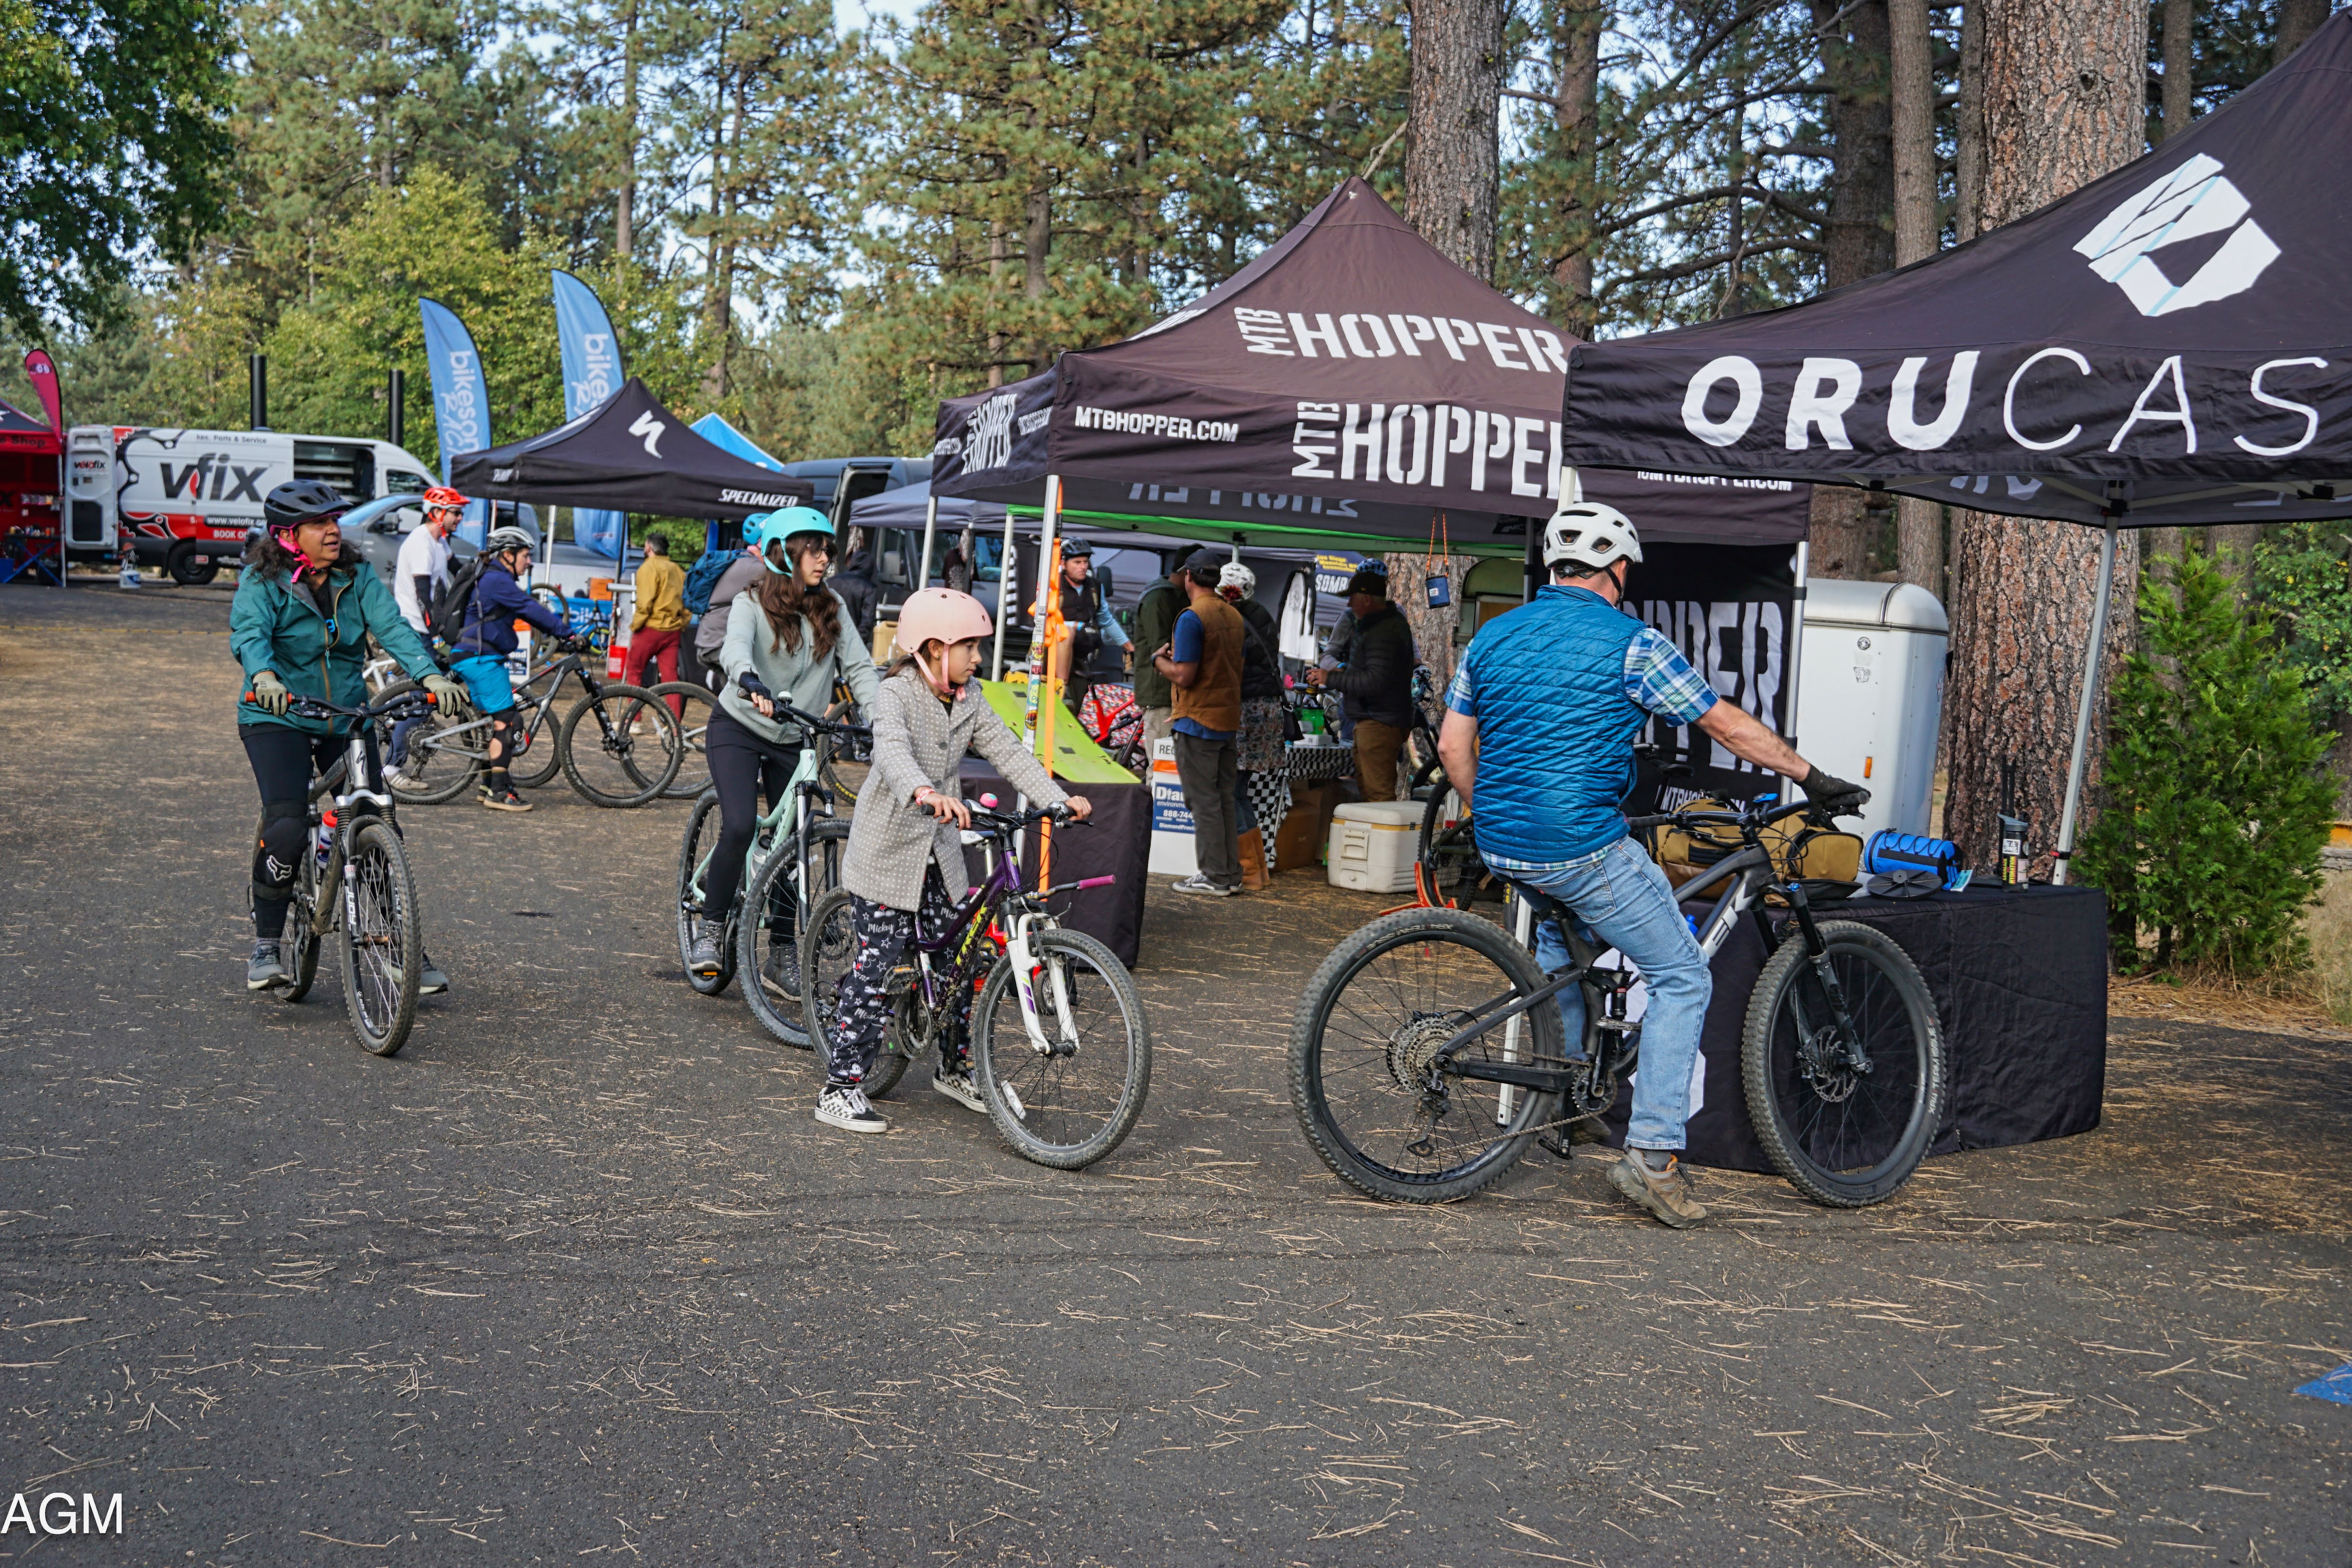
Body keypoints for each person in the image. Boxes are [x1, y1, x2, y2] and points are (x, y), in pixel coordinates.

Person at [1437, 501, 1865, 1230]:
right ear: (1619, 569)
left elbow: (1451, 748)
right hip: (1578, 844)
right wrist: (1808, 773)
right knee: (1679, 974)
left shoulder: (1491, 636)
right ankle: (1654, 1158)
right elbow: (1722, 723)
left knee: (1560, 955)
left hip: (1502, 843)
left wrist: (1498, 822)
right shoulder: (1633, 645)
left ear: (1553, 566)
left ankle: (1567, 1106)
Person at [826, 587, 1091, 1132]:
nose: (976, 658)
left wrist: (1054, 798)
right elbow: (892, 750)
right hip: (887, 849)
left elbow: (1008, 750)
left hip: (939, 850)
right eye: (967, 647)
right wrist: (925, 791)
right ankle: (840, 1086)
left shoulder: (969, 698)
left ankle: (954, 1067)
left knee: (962, 960)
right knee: (876, 967)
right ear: (930, 647)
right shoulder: (895, 693)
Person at [231, 479, 471, 994]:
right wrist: (265, 678)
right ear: (288, 536)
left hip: (345, 713)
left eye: (334, 521)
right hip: (280, 713)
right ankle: (267, 944)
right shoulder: (261, 581)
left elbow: (394, 629)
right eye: (319, 524)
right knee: (288, 823)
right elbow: (249, 634)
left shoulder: (356, 577)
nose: (332, 531)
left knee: (375, 815)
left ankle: (396, 943)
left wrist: (429, 676)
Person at [688, 508, 880, 987]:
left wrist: (881, 720)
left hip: (795, 737)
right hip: (739, 724)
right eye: (812, 550)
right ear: (782, 554)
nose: (823, 559)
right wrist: (748, 678)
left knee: (794, 844)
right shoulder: (750, 602)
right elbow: (734, 647)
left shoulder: (831, 605)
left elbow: (859, 670)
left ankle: (780, 952)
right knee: (738, 824)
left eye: (826, 550)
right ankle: (710, 928)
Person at [449, 524, 579, 812]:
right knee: (507, 723)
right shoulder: (497, 580)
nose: (529, 561)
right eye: (525, 555)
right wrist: (567, 633)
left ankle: (488, 786)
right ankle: (499, 792)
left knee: (496, 722)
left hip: (475, 656)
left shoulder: (491, 577)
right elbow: (530, 608)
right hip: (480, 658)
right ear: (508, 555)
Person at [1148, 551, 1247, 897]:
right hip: (1226, 719)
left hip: (1197, 720)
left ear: (1188, 576)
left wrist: (1158, 660)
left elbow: (1184, 676)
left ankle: (1213, 875)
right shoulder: (1233, 615)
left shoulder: (1192, 617)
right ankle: (1229, 873)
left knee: (1202, 801)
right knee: (1223, 799)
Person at [1307, 562, 1415, 801]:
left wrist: (1331, 677)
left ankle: (1383, 839)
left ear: (1366, 599)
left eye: (1352, 598)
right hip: (1373, 719)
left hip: (1378, 721)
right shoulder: (1384, 624)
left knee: (1378, 798)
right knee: (1369, 795)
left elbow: (1375, 682)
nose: (1348, 604)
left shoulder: (1383, 630)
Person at [385, 485, 464, 791]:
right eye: (455, 513)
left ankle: (408, 718)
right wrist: (435, 637)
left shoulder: (439, 540)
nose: (459, 518)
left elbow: (460, 570)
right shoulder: (421, 542)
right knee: (422, 699)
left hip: (427, 627)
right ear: (437, 513)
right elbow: (422, 596)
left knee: (432, 691)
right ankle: (391, 768)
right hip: (417, 628)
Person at [1221, 560, 1283, 890]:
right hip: (1265, 710)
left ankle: (1249, 872)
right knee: (1239, 791)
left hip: (1247, 711)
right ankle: (1257, 871)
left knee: (1231, 792)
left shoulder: (1235, 619)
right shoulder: (1261, 613)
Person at [1047, 538, 1130, 719]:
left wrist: (1131, 647)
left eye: (1085, 562)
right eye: (1077, 562)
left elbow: (1106, 620)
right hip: (1052, 654)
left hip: (1082, 656)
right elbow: (1041, 617)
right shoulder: (1052, 585)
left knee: (1073, 711)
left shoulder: (1095, 587)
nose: (1083, 566)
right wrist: (1075, 625)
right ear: (1063, 564)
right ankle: (1062, 688)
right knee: (1066, 632)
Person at [694, 518, 771, 688]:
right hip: (719, 644)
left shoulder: (742, 560)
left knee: (732, 701)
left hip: (709, 640)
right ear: (762, 542)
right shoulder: (756, 569)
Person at [1128, 556, 1187, 756]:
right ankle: (1153, 789)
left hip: (1169, 692)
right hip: (1161, 694)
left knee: (1168, 762)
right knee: (1162, 764)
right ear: (1186, 573)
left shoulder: (1170, 596)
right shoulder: (1160, 598)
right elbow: (1160, 647)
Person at [626, 531, 689, 713]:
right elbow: (686, 602)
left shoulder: (648, 568)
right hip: (673, 630)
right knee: (671, 679)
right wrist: (682, 624)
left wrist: (636, 625)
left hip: (651, 628)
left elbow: (645, 603)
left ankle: (633, 720)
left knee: (634, 671)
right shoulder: (677, 570)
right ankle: (674, 725)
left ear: (648, 548)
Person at [829, 537, 881, 650]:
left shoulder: (831, 581)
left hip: (826, 639)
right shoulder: (869, 589)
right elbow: (867, 622)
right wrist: (857, 649)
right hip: (850, 644)